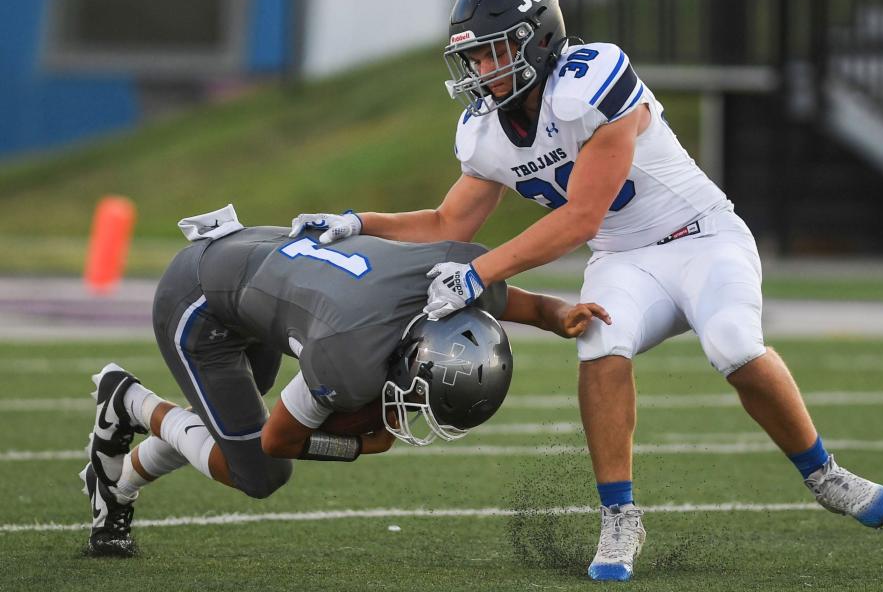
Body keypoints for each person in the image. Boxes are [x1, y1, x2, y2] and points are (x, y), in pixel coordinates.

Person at [295, 0, 883, 582]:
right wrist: (358, 222)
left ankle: (824, 474)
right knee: (601, 344)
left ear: (535, 41)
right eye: (472, 55)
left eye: (491, 50)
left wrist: (479, 273)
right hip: (625, 259)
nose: (479, 67)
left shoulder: (590, 79)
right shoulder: (486, 130)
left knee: (734, 345)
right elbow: (448, 220)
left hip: (704, 238)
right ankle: (619, 516)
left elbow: (582, 216)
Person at [81, 205, 609, 557]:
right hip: (199, 300)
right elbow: (279, 440)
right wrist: (361, 445)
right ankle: (126, 400)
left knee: (232, 420)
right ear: (411, 359)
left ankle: (118, 478)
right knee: (259, 472)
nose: (415, 409)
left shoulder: (454, 283)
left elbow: (523, 302)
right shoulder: (351, 359)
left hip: (256, 262)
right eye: (422, 396)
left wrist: (558, 314)